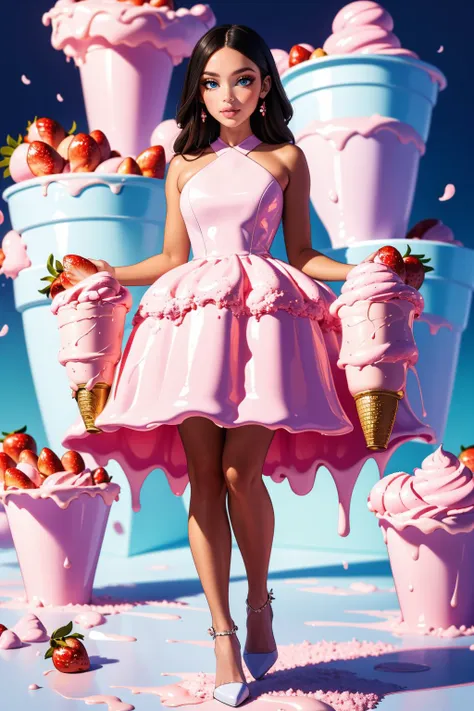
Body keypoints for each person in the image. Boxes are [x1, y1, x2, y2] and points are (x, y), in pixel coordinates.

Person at [62, 24, 432, 708]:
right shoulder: (183, 165)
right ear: (197, 91)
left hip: (263, 317)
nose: (226, 94)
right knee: (203, 473)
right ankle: (223, 631)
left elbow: (302, 252)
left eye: (241, 79)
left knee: (240, 469)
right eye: (211, 81)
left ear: (264, 84)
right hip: (191, 317)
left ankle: (259, 598)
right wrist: (107, 272)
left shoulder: (287, 158)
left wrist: (368, 269)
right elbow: (172, 259)